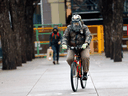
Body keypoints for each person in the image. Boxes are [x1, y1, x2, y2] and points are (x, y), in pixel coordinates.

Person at [62, 14, 92, 80]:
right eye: (74, 22)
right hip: (72, 46)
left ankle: (85, 73)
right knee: (69, 59)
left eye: (77, 22)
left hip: (83, 46)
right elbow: (65, 37)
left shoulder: (84, 27)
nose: (75, 24)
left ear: (80, 21)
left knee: (85, 57)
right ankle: (74, 69)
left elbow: (88, 36)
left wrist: (86, 43)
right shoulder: (69, 28)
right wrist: (64, 43)